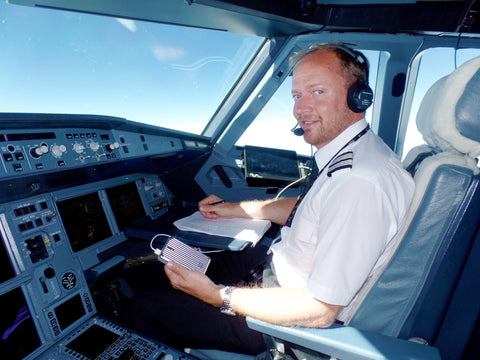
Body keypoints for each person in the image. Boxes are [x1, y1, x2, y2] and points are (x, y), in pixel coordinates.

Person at [123, 43, 414, 357]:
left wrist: (217, 296)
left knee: (145, 309)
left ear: (359, 96)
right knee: (152, 271)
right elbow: (311, 209)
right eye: (296, 95)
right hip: (279, 270)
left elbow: (319, 309)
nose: (300, 109)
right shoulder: (358, 152)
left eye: (317, 92)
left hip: (287, 325)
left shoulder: (359, 182)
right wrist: (232, 210)